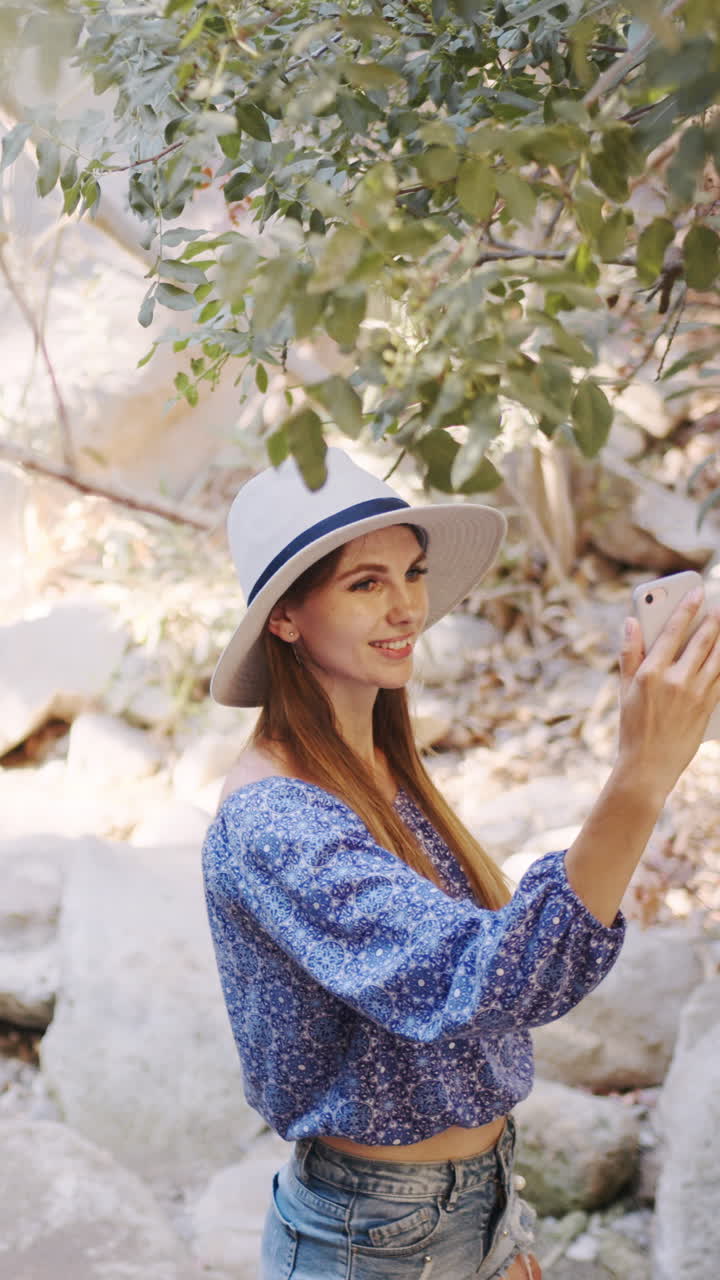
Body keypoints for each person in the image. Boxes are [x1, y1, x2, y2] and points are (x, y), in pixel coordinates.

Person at [201, 447, 720, 1280]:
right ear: (285, 618)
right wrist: (640, 777)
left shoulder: (375, 766)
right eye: (365, 583)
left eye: (412, 573)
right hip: (373, 1237)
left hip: (472, 1202)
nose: (406, 605)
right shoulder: (277, 821)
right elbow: (487, 978)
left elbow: (477, 1013)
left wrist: (501, 1227)